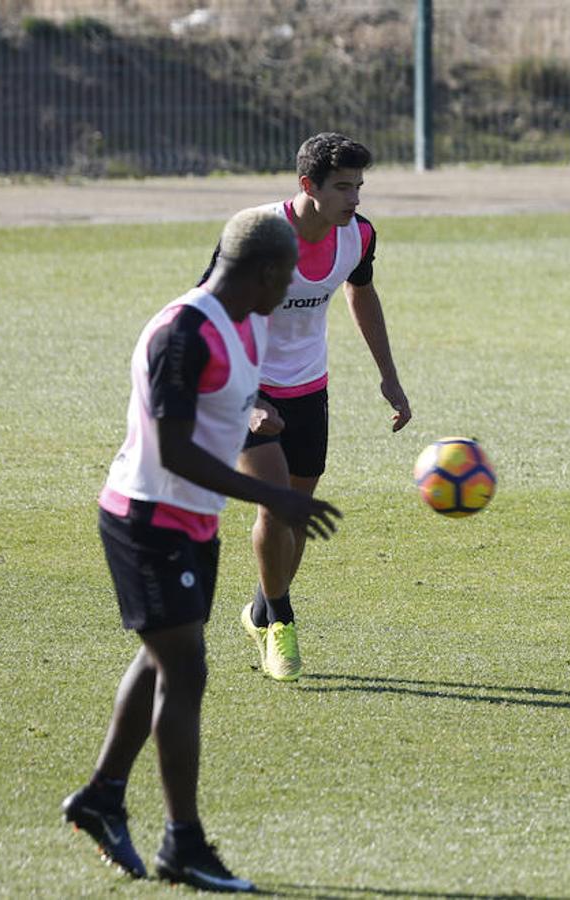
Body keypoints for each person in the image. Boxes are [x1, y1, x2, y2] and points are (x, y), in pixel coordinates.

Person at [62, 209, 342, 891]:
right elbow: (171, 448)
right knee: (185, 672)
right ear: (267, 271)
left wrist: (253, 412)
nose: (293, 295)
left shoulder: (244, 322)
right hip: (146, 519)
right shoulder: (182, 332)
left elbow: (220, 405)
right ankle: (181, 843)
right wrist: (274, 498)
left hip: (190, 522)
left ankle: (101, 796)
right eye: (290, 280)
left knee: (163, 662)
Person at [202, 132, 411, 683]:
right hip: (247, 387)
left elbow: (361, 292)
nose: (355, 198)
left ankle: (260, 609)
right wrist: (248, 402)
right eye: (343, 187)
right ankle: (282, 622)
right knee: (275, 507)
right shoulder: (255, 236)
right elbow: (208, 319)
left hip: (308, 388)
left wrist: (388, 376)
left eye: (360, 186)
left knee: (294, 518)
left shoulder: (357, 236)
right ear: (307, 186)